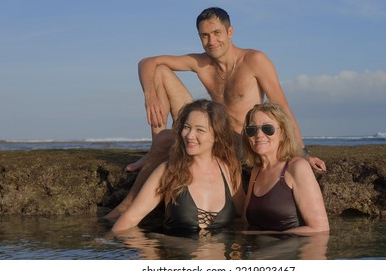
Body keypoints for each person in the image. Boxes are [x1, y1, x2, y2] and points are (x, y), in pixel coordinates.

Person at [106, 6, 325, 220]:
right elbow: (147, 62)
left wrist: (302, 153)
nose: (212, 41)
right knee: (160, 71)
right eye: (205, 35)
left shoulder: (254, 60)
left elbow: (282, 108)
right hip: (216, 131)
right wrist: (150, 96)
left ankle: (127, 205)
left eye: (217, 33)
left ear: (230, 32)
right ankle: (156, 150)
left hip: (241, 143)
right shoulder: (202, 62)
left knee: (166, 139)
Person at [111, 99, 245, 234]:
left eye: (200, 130)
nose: (190, 135)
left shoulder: (230, 170)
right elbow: (130, 219)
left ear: (217, 135)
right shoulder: (168, 171)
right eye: (187, 127)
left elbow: (243, 216)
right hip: (175, 250)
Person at [242, 103, 329, 235]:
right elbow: (245, 221)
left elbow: (320, 229)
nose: (259, 135)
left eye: (267, 128)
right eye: (252, 129)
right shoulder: (257, 170)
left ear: (282, 133)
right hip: (259, 251)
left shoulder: (297, 167)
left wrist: (264, 235)